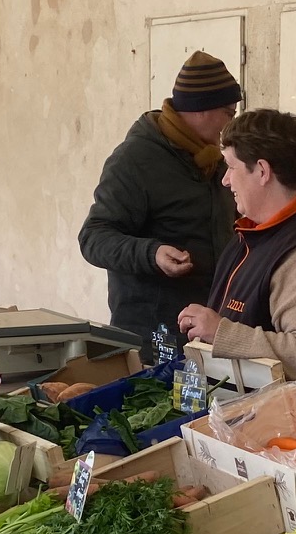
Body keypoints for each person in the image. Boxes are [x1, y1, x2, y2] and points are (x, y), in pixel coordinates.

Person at [178, 108, 296, 397]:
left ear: (262, 171)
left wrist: (221, 333)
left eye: (231, 167)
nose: (225, 180)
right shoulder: (252, 233)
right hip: (253, 423)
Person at [79, 51, 240, 348]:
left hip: (207, 327)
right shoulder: (135, 160)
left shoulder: (214, 159)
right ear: (201, 109)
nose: (230, 124)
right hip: (151, 334)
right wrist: (151, 254)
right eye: (228, 114)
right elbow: (93, 237)